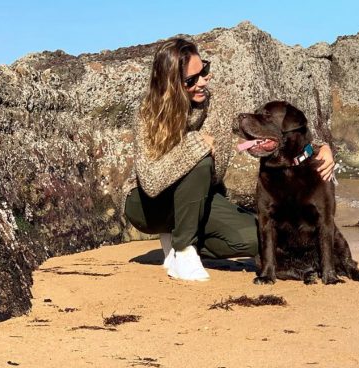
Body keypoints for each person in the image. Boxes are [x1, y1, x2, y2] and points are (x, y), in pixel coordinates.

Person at [123, 38, 336, 281]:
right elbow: (151, 182)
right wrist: (195, 145)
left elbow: (265, 123)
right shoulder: (147, 114)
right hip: (149, 206)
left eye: (204, 69)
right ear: (171, 84)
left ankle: (181, 235)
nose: (203, 81)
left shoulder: (220, 102)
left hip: (198, 199)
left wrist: (318, 145)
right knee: (201, 163)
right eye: (192, 80)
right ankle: (183, 252)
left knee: (252, 238)